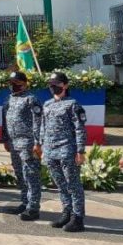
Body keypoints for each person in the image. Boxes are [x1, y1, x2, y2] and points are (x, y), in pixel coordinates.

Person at [40, 71, 87, 233]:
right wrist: (41, 145)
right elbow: (43, 127)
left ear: (65, 85)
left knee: (73, 185)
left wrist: (80, 151)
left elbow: (80, 129)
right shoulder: (47, 104)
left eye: (57, 84)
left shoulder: (73, 104)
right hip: (50, 150)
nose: (53, 87)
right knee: (61, 185)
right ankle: (67, 212)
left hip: (67, 150)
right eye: (51, 84)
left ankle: (78, 218)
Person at [2, 71, 43, 220]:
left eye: (16, 83)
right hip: (13, 143)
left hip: (28, 143)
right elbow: (5, 120)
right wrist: (5, 139)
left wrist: (38, 143)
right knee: (20, 174)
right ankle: (25, 202)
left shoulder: (31, 100)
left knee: (31, 175)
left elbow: (38, 123)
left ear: (25, 83)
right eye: (11, 82)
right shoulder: (9, 100)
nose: (13, 85)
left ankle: (33, 207)